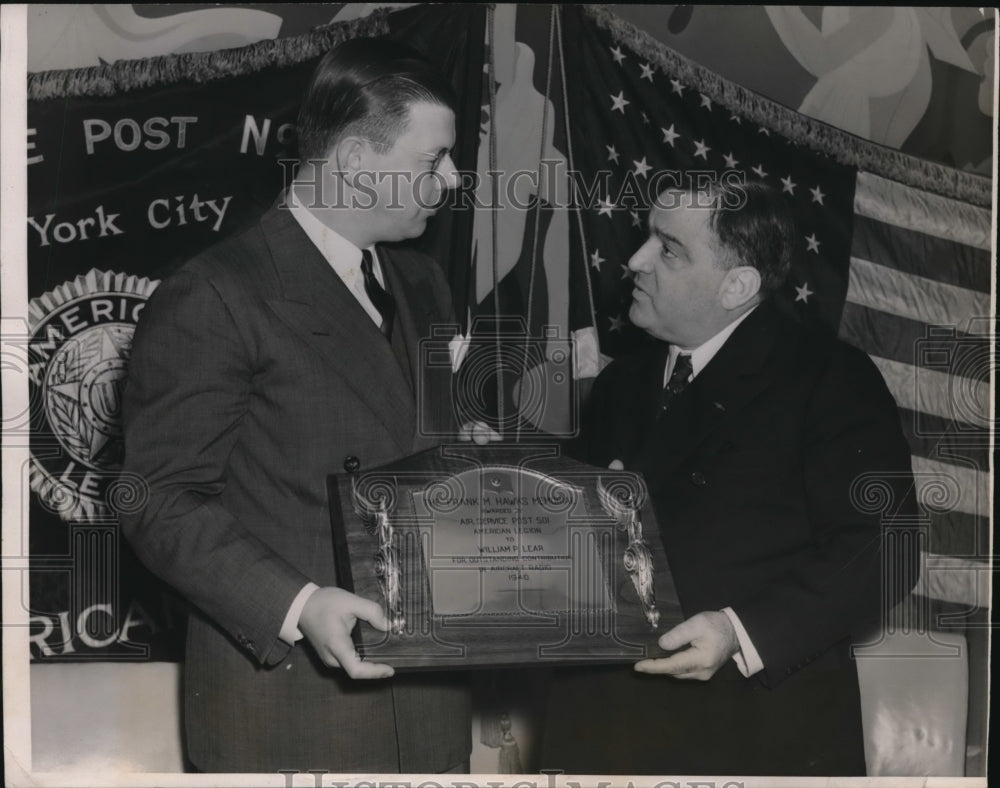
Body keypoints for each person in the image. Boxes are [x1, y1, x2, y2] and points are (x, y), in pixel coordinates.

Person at [120, 38, 472, 773]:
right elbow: (156, 499)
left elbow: (406, 444)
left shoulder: (425, 284)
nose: (453, 179)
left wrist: (469, 454)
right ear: (352, 162)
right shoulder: (218, 293)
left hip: (430, 699)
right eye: (432, 160)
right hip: (291, 705)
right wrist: (300, 603)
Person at [540, 180, 919, 775]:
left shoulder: (829, 378)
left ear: (736, 285)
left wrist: (739, 631)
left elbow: (882, 551)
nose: (634, 260)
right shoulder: (618, 384)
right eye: (646, 238)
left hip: (753, 734)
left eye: (668, 249)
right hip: (600, 728)